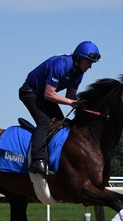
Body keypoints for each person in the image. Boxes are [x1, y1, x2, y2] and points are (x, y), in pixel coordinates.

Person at [19, 41, 101, 176]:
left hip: (43, 96)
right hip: (30, 92)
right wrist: (70, 102)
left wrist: (83, 104)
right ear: (79, 58)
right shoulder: (62, 64)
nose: (90, 66)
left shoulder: (79, 72)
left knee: (60, 123)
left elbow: (71, 96)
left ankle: (53, 157)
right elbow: (49, 93)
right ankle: (37, 161)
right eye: (88, 62)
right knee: (45, 123)